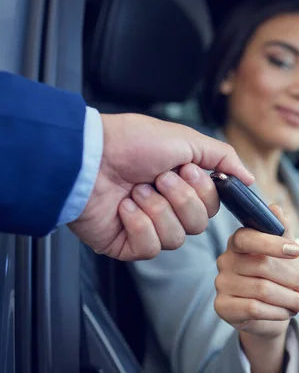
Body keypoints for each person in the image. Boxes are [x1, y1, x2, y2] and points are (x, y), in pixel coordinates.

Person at [129, 0, 299, 373]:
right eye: (281, 62)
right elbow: (207, 366)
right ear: (228, 74)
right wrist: (267, 343)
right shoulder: (179, 197)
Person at [0, 71, 254, 261]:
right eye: (280, 61)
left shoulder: (294, 183)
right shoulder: (186, 176)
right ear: (227, 74)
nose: (296, 89)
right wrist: (99, 160)